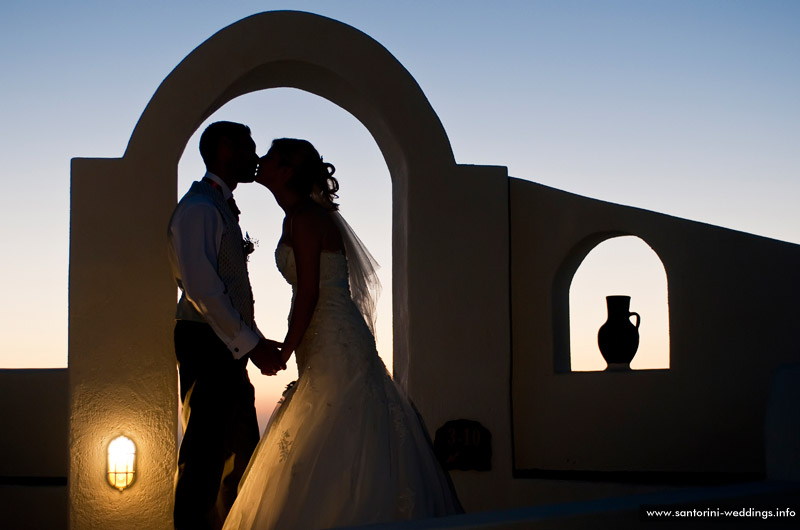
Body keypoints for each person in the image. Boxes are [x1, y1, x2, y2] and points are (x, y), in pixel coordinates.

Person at [222, 139, 462, 530]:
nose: (260, 161)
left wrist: (285, 350)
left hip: (332, 334)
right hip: (322, 335)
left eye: (269, 157)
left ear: (285, 171)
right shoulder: (295, 217)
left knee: (342, 422)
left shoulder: (305, 218)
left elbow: (311, 292)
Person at [167, 121, 286, 530]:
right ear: (224, 148)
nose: (255, 156)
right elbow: (202, 289)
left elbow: (225, 286)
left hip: (223, 347)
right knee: (204, 458)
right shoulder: (200, 208)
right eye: (248, 146)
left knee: (237, 455)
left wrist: (251, 343)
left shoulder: (218, 205)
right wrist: (252, 345)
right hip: (207, 343)